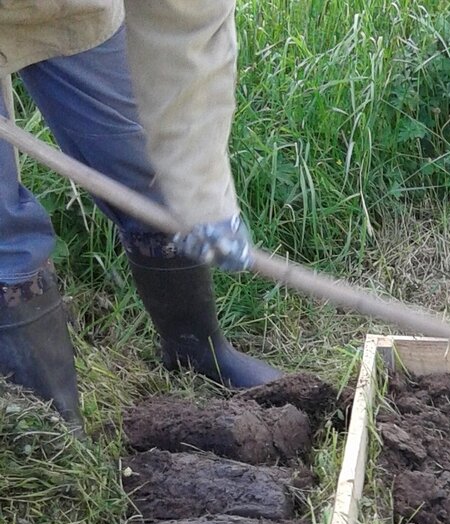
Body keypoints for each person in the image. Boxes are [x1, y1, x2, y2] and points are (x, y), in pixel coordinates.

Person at [0, 2, 277, 435]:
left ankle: (195, 350)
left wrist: (203, 201)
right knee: (7, 242)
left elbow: (186, 25)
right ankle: (50, 435)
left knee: (154, 179)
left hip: (73, 11)